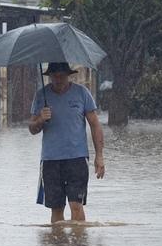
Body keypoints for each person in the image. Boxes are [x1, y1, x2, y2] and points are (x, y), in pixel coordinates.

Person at [29, 62, 105, 223]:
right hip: (50, 160)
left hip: (77, 158)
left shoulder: (82, 93)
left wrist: (99, 156)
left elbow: (95, 125)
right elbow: (32, 129)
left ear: (68, 75)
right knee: (56, 208)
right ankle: (58, 245)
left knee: (76, 205)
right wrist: (41, 119)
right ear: (49, 76)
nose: (58, 79)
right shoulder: (41, 96)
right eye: (54, 76)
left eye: (61, 75)